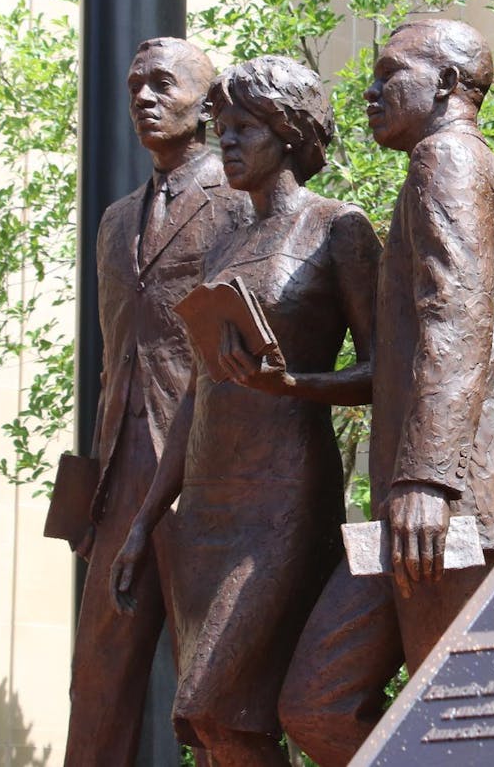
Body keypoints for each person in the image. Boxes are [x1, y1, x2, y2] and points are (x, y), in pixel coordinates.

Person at [278, 18, 494, 766]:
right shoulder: (448, 168)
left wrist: (426, 478)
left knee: (459, 729)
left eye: (390, 72)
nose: (369, 90)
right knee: (316, 702)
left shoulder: (448, 162)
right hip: (415, 510)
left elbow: (454, 321)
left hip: (452, 508)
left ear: (450, 86)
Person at [110, 55, 381, 766]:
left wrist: (295, 385)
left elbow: (387, 369)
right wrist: (144, 522)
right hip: (204, 504)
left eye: (242, 130)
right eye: (221, 128)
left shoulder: (338, 229)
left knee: (211, 696)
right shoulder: (226, 242)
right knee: (220, 724)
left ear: (289, 133)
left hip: (282, 498)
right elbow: (200, 388)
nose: (224, 143)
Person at [65, 37, 251, 767]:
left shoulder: (239, 203)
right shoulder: (114, 221)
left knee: (210, 692)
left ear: (208, 105)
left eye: (163, 85)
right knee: (97, 683)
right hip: (119, 477)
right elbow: (118, 359)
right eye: (135, 84)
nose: (143, 97)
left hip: (202, 472)